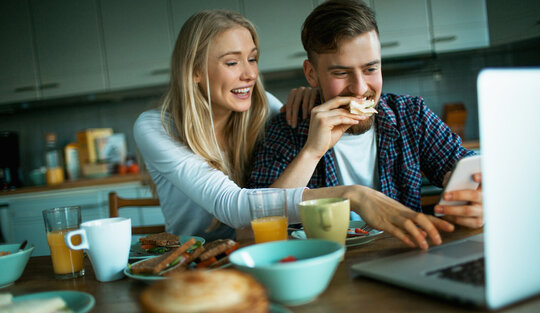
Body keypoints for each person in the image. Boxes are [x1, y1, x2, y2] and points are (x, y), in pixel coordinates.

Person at [134, 9, 454, 250]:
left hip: (256, 254)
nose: (249, 75)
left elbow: (461, 166)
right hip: (193, 258)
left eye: (253, 59)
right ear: (194, 72)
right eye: (232, 63)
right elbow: (237, 210)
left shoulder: (267, 110)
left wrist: (314, 95)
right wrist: (350, 193)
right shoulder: (155, 127)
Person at [249, 0, 483, 230]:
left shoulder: (411, 115)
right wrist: (312, 152)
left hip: (404, 255)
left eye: (371, 69)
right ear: (311, 74)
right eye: (341, 73)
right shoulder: (287, 128)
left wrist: (478, 196)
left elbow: (468, 168)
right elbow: (256, 219)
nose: (360, 88)